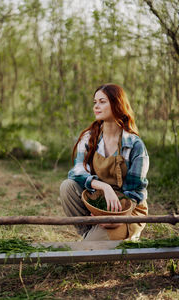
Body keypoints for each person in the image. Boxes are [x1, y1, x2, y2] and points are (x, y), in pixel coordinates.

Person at [60, 83, 149, 241]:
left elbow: (135, 193)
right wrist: (103, 187)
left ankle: (123, 236)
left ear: (117, 104)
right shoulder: (89, 137)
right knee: (67, 186)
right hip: (99, 201)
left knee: (88, 248)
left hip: (128, 211)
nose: (96, 106)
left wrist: (115, 218)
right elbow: (76, 172)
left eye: (102, 102)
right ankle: (91, 234)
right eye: (95, 102)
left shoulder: (134, 145)